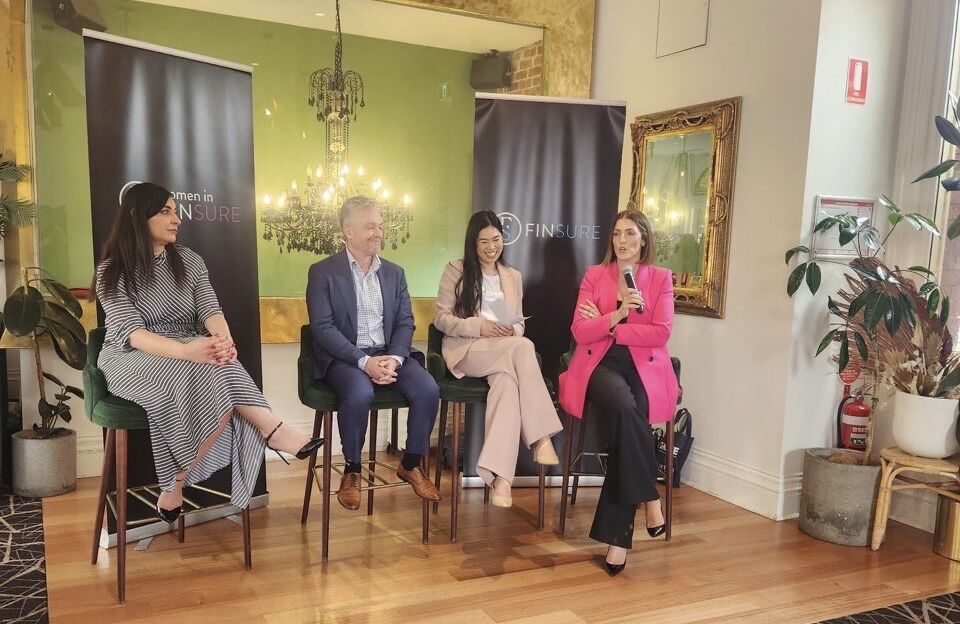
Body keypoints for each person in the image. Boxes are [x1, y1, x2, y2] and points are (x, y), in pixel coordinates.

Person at [92, 182, 322, 523]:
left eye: (175, 211)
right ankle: (273, 429)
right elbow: (134, 334)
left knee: (218, 363)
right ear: (138, 216)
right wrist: (186, 351)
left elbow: (210, 310)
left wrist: (222, 341)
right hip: (129, 355)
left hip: (186, 345)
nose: (177, 219)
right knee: (202, 367)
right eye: (166, 211)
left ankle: (177, 481)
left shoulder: (189, 260)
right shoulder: (111, 271)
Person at [558, 208, 680, 576]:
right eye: (616, 233)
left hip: (643, 367)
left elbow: (661, 333)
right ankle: (650, 496)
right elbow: (579, 331)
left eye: (630, 233)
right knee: (627, 409)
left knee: (630, 428)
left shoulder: (660, 278)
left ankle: (617, 542)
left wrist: (610, 327)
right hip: (600, 365)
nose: (622, 240)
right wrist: (617, 313)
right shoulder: (595, 275)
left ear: (644, 239)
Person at [306, 195, 441, 511]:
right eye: (370, 226)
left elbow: (405, 322)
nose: (378, 232)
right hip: (345, 358)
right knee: (359, 392)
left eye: (380, 226)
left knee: (428, 388)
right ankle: (352, 469)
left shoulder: (395, 273)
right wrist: (364, 361)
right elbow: (322, 328)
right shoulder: (323, 272)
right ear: (348, 231)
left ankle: (410, 463)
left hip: (388, 354)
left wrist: (394, 358)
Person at [434, 211, 562, 507]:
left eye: (496, 239)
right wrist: (480, 326)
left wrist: (511, 329)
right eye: (484, 242)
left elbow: (519, 323)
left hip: (503, 351)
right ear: (473, 243)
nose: (491, 247)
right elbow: (441, 319)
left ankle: (500, 479)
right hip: (469, 350)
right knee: (524, 347)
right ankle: (540, 437)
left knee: (507, 383)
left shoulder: (512, 276)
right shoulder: (456, 270)